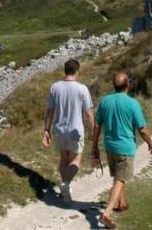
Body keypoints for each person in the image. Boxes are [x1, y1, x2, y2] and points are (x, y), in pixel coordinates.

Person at [91, 72, 152, 229]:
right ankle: (107, 213)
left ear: (114, 86)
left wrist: (94, 148)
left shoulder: (105, 101)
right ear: (128, 85)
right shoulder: (132, 103)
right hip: (125, 147)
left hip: (109, 146)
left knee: (119, 176)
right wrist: (150, 142)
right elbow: (142, 129)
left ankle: (121, 203)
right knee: (121, 179)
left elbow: (97, 126)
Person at [42, 58, 94, 203]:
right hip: (75, 130)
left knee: (63, 159)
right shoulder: (82, 88)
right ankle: (66, 184)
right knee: (75, 160)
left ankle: (65, 191)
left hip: (59, 129)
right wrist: (93, 129)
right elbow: (88, 113)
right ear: (77, 71)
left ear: (65, 70)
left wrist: (46, 129)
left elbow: (50, 111)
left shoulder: (55, 87)